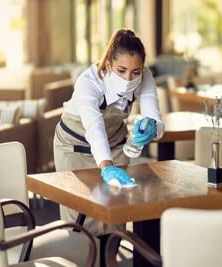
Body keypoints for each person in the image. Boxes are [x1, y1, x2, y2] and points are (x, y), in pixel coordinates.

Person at [53, 29, 164, 234]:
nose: (129, 78)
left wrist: (152, 127)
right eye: (121, 70)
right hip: (73, 147)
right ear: (109, 64)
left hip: (115, 145)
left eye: (135, 72)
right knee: (81, 218)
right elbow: (94, 128)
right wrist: (106, 167)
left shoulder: (145, 76)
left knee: (116, 212)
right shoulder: (89, 83)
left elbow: (154, 115)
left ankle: (110, 260)